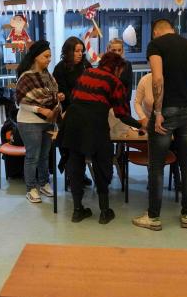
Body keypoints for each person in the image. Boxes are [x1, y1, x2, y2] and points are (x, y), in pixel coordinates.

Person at [58, 52, 143, 223]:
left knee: (75, 165)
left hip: (73, 122)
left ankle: (77, 211)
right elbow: (121, 114)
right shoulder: (115, 82)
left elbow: (74, 96)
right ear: (117, 68)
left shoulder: (87, 73)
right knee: (102, 164)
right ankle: (104, 212)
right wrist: (141, 125)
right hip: (96, 124)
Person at [133, 19, 187, 231]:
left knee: (157, 166)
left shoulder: (156, 45)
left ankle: (153, 217)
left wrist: (159, 111)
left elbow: (157, 79)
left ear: (155, 32)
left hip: (167, 110)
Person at [15, 40, 63, 204]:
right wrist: (41, 110)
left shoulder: (48, 75)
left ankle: (43, 183)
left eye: (50, 56)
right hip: (29, 122)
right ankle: (31, 188)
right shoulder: (26, 77)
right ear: (36, 57)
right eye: (46, 56)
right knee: (32, 156)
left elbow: (51, 95)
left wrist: (58, 97)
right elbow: (22, 101)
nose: (49, 59)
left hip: (49, 120)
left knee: (44, 156)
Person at [52, 36, 92, 187]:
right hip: (67, 112)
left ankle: (81, 174)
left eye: (81, 51)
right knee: (68, 147)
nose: (80, 54)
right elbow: (62, 92)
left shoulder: (86, 66)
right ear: (69, 52)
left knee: (81, 147)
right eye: (76, 51)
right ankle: (71, 175)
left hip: (85, 113)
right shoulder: (60, 68)